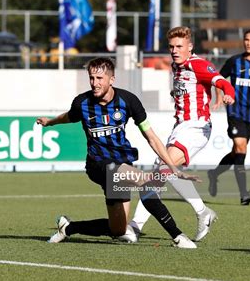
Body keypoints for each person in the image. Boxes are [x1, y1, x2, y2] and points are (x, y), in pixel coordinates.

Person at [37, 57, 199, 248]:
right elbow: (68, 116)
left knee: (119, 230)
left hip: (121, 164)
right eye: (92, 78)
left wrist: (173, 168)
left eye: (99, 78)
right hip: (97, 165)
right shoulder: (82, 102)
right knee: (145, 181)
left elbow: (151, 137)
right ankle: (178, 236)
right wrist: (50, 122)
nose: (94, 83)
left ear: (111, 79)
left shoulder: (128, 101)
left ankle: (68, 228)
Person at [130, 26, 236, 241]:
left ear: (190, 47)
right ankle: (135, 226)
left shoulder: (199, 64)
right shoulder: (176, 67)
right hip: (180, 127)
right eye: (171, 47)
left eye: (179, 46)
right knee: (157, 176)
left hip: (196, 127)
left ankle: (199, 212)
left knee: (163, 169)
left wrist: (228, 95)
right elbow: (191, 89)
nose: (174, 50)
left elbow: (222, 82)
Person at [207, 29, 250, 205]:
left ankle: (214, 174)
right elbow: (218, 79)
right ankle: (244, 194)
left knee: (238, 152)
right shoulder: (234, 61)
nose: (249, 43)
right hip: (235, 111)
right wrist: (220, 97)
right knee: (241, 147)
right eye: (246, 39)